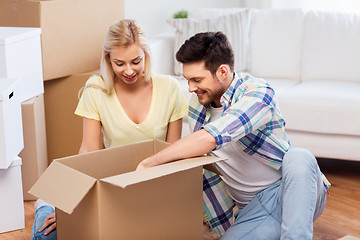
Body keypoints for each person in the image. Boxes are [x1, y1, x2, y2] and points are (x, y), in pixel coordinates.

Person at [136, 31, 329, 239]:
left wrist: (149, 163)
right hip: (255, 211)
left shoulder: (258, 91)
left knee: (299, 156)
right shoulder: (197, 108)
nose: (191, 88)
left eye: (196, 80)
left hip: (293, 189)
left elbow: (212, 137)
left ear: (222, 71)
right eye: (188, 80)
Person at [31, 19, 188, 240]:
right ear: (108, 59)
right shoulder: (96, 90)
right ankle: (45, 207)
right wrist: (66, 204)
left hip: (153, 189)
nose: (129, 71)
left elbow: (173, 154)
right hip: (109, 189)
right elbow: (89, 151)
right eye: (119, 63)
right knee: (48, 235)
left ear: (146, 55)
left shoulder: (169, 88)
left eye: (136, 61)